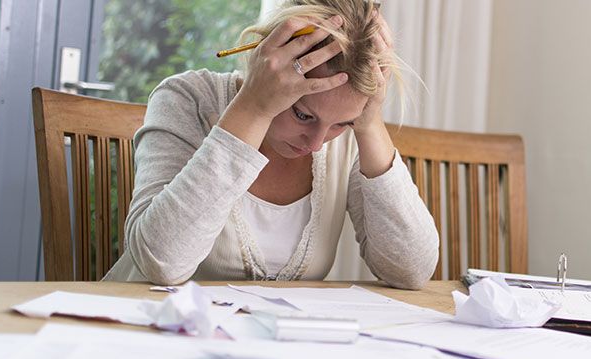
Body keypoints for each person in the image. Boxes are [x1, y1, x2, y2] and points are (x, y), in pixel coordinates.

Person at [103, 0, 439, 289]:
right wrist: (254, 107)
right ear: (268, 63)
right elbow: (162, 263)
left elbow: (412, 270)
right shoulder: (187, 99)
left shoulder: (351, 138)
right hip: (145, 338)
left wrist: (368, 123)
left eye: (341, 123)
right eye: (303, 115)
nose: (318, 144)